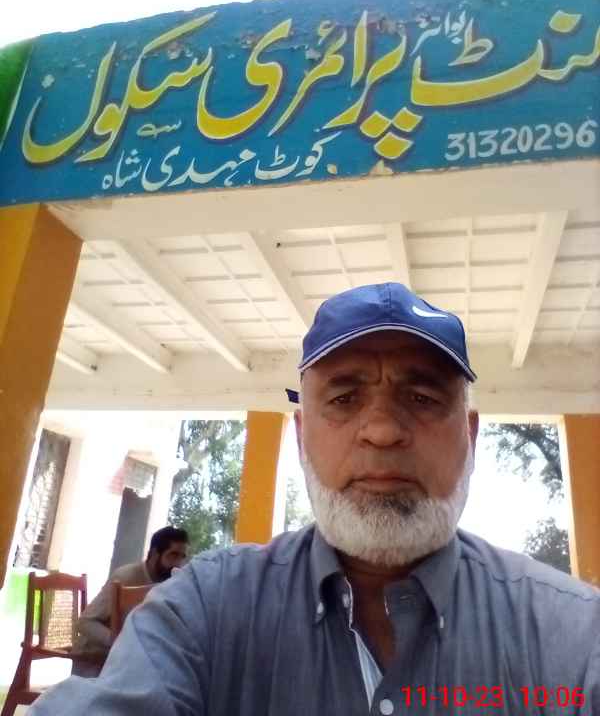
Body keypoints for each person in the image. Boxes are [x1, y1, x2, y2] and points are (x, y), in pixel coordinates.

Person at [31, 283, 599, 714]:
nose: (382, 431)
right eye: (345, 398)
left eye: (423, 398)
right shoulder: (203, 611)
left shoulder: (573, 637)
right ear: (302, 436)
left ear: (470, 438)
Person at [70, 525, 189, 677]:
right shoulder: (125, 577)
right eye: (173, 555)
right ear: (154, 553)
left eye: (182, 557)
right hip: (94, 660)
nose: (178, 564)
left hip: (130, 660)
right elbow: (85, 623)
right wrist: (122, 642)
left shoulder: (168, 584)